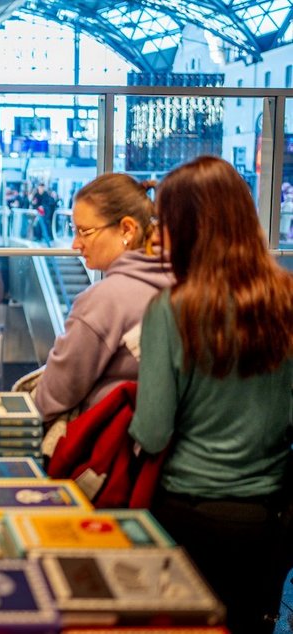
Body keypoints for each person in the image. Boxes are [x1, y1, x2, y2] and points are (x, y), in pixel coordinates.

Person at [128, 156, 292, 634]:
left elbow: (154, 431)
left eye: (167, 221)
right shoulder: (284, 300)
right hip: (268, 514)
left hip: (188, 509)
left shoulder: (172, 309)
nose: (159, 235)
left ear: (192, 226)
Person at [33, 173, 172, 430]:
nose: (76, 244)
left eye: (85, 232)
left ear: (127, 229)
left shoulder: (106, 301)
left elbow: (51, 397)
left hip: (108, 448)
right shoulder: (182, 284)